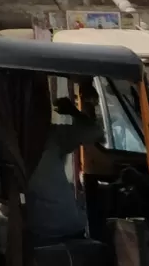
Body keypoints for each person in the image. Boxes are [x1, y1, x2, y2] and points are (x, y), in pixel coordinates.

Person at [25, 97, 102, 243]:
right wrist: (73, 112)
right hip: (58, 228)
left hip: (46, 229)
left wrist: (73, 112)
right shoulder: (51, 136)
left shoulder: (52, 135)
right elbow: (95, 132)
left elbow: (95, 132)